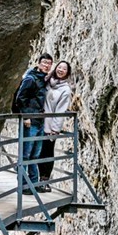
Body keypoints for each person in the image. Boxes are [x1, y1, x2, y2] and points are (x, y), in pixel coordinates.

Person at [15, 53, 52, 192]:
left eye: (49, 63)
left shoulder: (43, 79)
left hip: (39, 121)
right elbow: (20, 98)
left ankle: (34, 184)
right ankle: (24, 186)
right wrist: (26, 117)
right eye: (44, 63)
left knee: (34, 155)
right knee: (25, 155)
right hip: (30, 122)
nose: (46, 65)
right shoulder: (30, 79)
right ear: (38, 63)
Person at [39, 60, 72, 191]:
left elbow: (60, 111)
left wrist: (55, 129)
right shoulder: (47, 81)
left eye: (64, 69)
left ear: (67, 73)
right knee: (37, 152)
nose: (61, 70)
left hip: (49, 127)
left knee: (47, 153)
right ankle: (33, 179)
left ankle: (44, 180)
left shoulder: (65, 90)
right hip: (38, 123)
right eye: (59, 67)